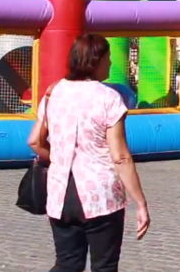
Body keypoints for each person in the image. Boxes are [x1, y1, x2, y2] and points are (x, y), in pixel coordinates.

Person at [27, 34, 150, 272]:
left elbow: (34, 141)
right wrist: (140, 202)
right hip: (100, 194)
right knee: (104, 266)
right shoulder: (109, 98)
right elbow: (120, 157)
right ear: (96, 61)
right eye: (108, 58)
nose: (111, 64)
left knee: (67, 264)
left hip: (60, 193)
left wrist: (59, 158)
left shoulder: (54, 92)